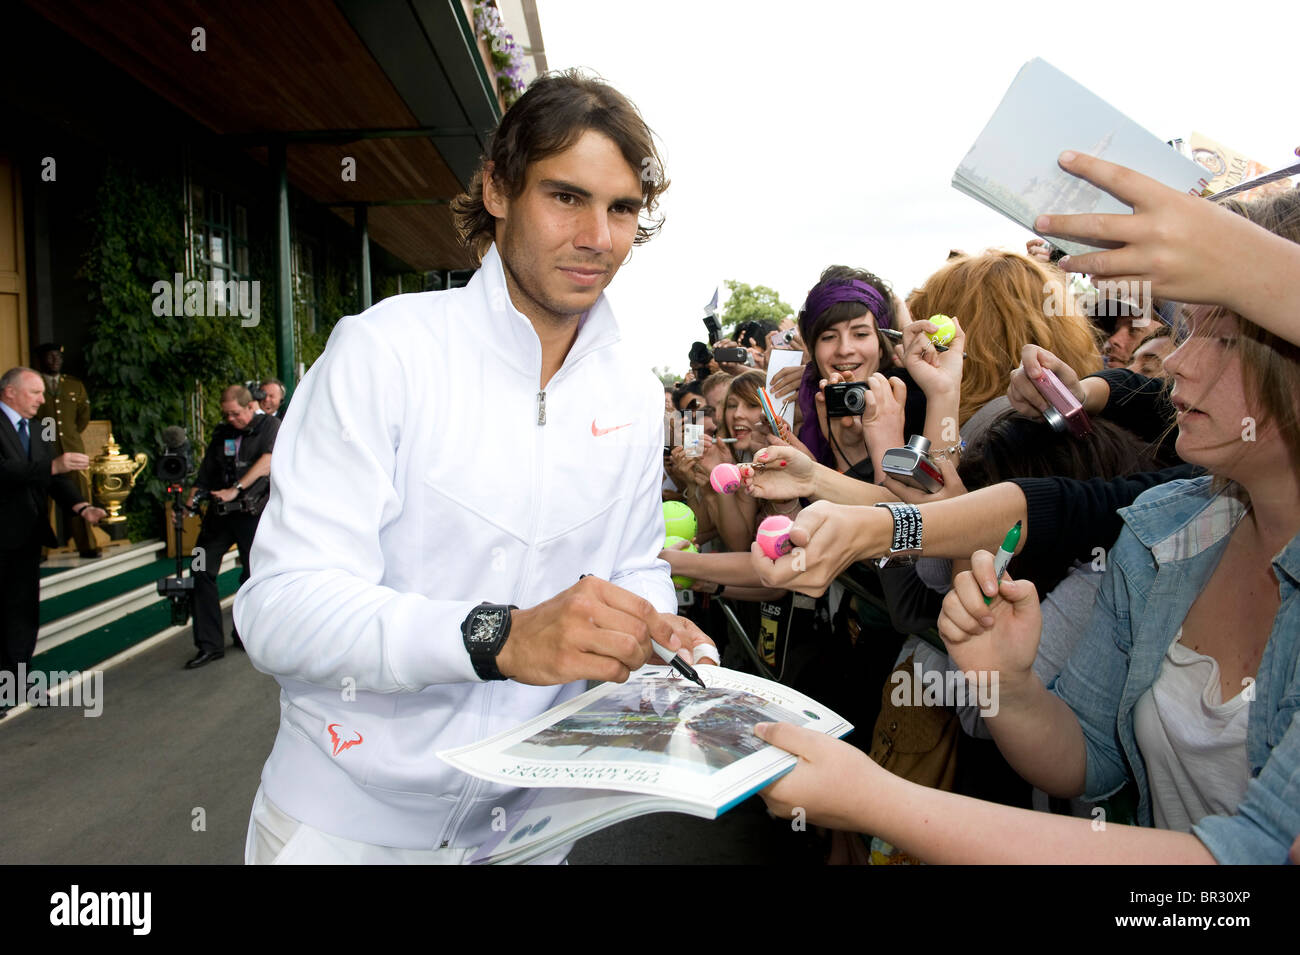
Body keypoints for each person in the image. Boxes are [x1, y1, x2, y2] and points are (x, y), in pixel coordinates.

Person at [233, 70, 714, 864]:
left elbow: (633, 564)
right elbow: (280, 609)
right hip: (343, 828)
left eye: (622, 208)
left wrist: (661, 635)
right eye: (566, 197)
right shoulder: (382, 351)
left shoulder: (633, 387)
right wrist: (497, 636)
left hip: (531, 830)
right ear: (496, 189)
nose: (598, 235)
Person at [751, 188, 1300, 863]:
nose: (1180, 362)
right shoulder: (1168, 528)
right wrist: (1008, 688)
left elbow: (1257, 853)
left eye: (1222, 338)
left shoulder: (1057, 460)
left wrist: (877, 799)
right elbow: (1090, 754)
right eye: (1184, 332)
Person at [0, 367, 106, 717]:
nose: (43, 400)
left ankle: (15, 681)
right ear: (10, 393)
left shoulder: (34, 429)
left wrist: (82, 506)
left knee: (24, 612)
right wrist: (52, 467)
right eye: (35, 393)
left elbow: (53, 477)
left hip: (26, 537)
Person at [182, 384, 279, 669]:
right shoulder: (222, 432)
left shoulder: (270, 426)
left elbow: (268, 462)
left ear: (251, 406)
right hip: (219, 513)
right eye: (226, 414)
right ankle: (209, 645)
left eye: (235, 413)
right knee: (200, 569)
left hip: (253, 513)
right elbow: (206, 472)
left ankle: (246, 634)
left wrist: (236, 488)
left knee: (253, 575)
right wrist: (191, 500)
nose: (231, 419)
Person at [33, 343, 98, 558]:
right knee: (42, 500)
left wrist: (69, 437)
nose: (55, 361)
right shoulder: (34, 384)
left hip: (72, 448)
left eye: (58, 357)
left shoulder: (73, 385)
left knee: (79, 496)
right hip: (43, 449)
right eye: (50, 357)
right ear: (41, 360)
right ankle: (40, 549)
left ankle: (86, 545)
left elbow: (82, 417)